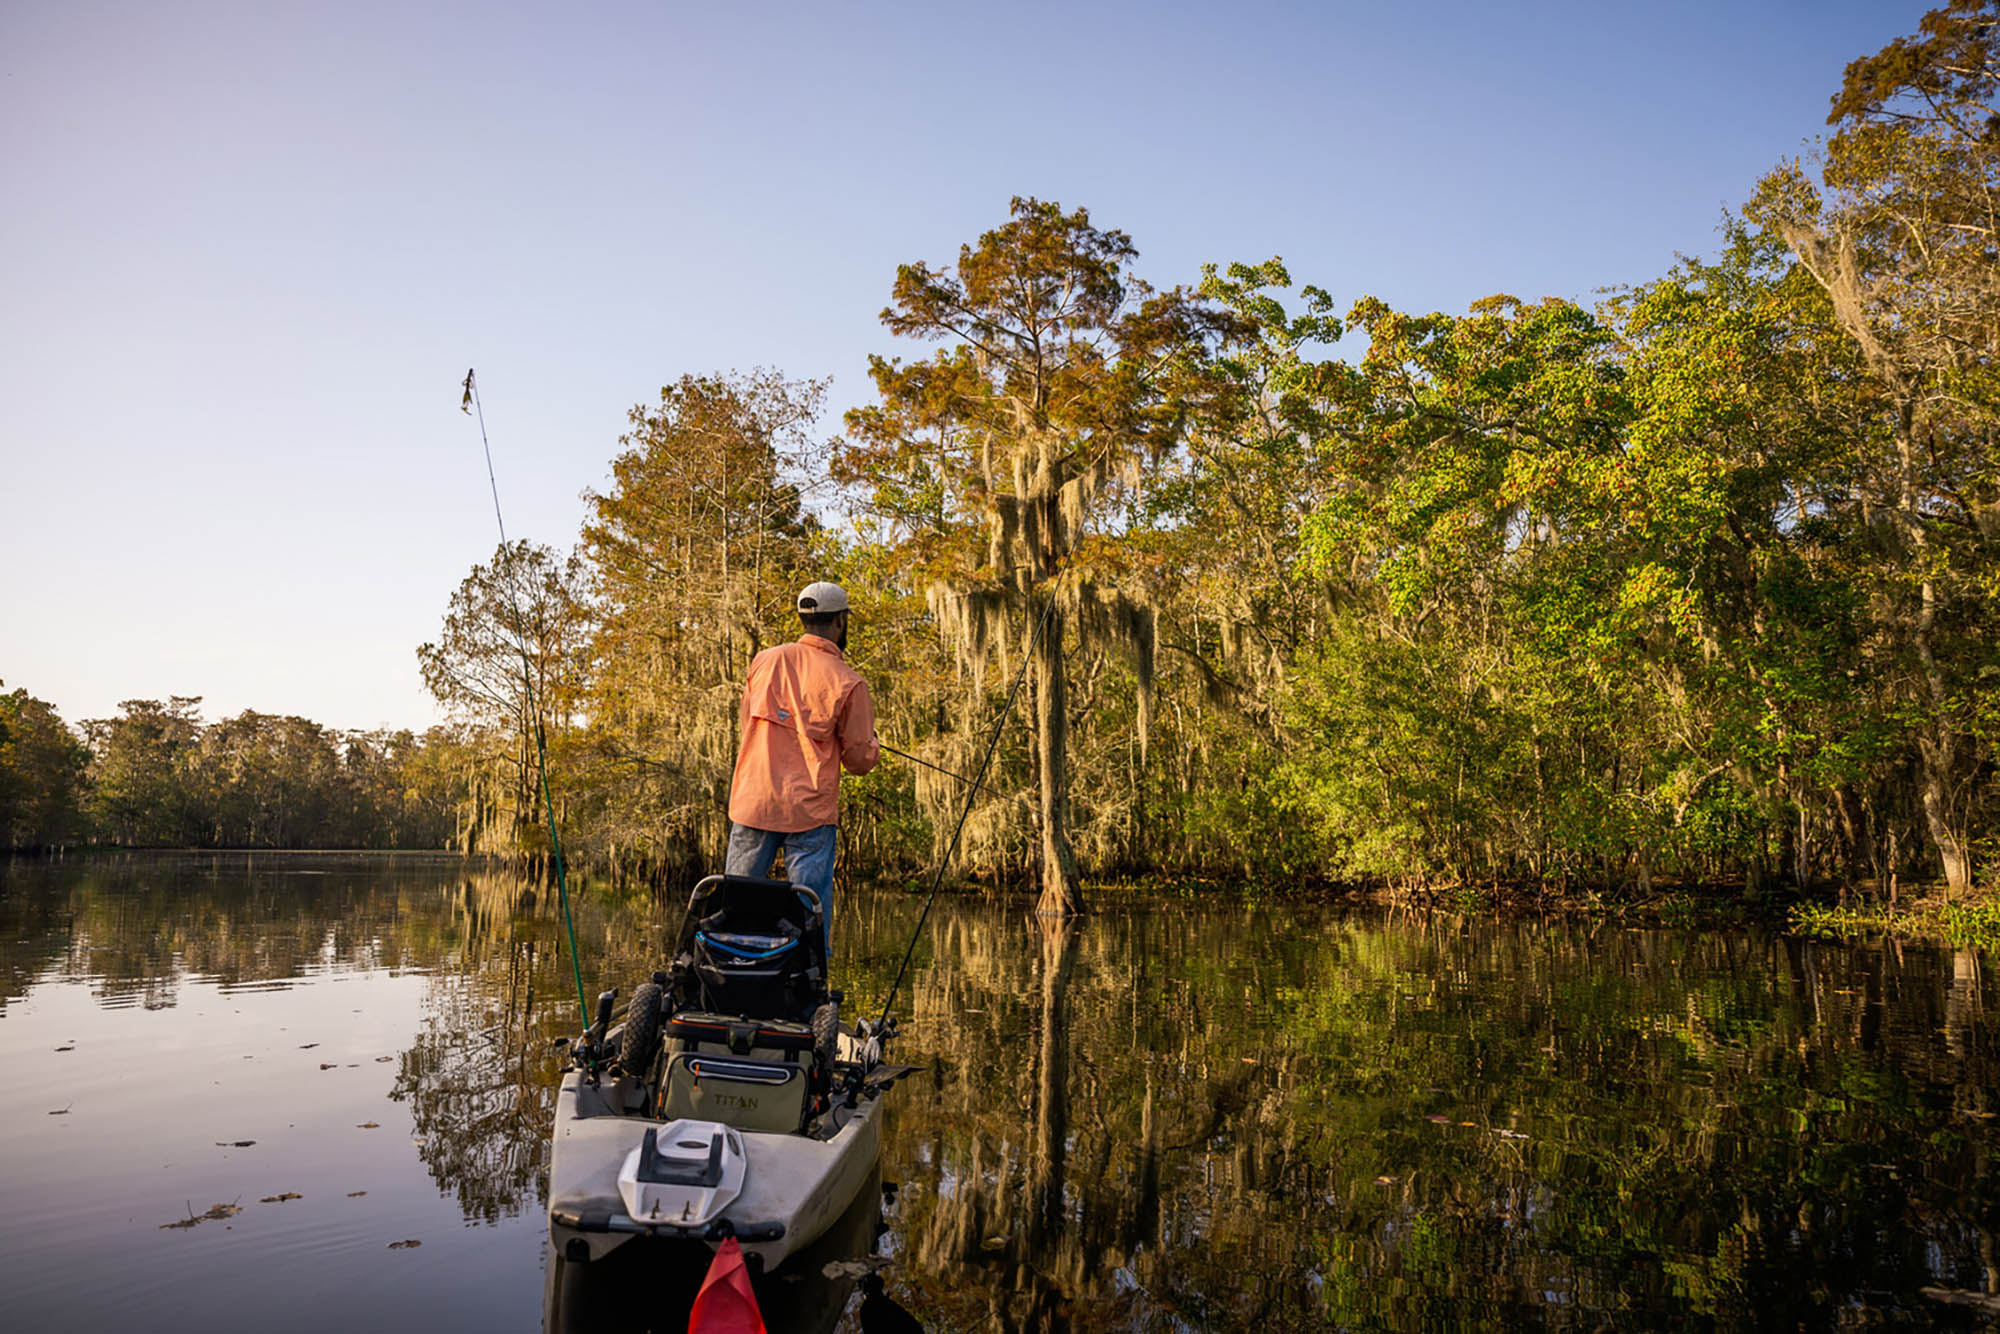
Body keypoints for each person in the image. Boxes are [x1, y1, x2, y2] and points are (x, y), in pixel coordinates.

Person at [724, 581, 880, 955]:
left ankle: (725, 981)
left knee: (733, 908)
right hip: (809, 815)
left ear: (802, 618)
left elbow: (748, 724)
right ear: (841, 622)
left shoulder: (764, 660)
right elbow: (859, 760)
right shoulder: (849, 683)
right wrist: (872, 744)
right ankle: (809, 992)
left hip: (753, 803)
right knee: (809, 915)